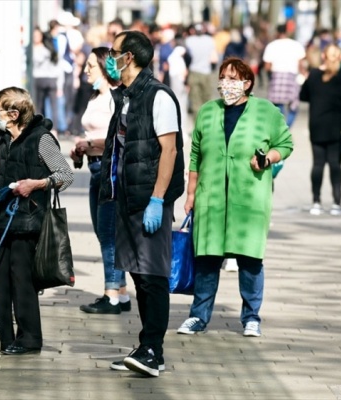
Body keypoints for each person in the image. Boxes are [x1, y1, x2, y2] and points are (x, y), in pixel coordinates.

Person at [176, 57, 293, 338]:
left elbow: (285, 143)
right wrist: (190, 193)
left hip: (249, 200)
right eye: (223, 78)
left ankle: (251, 316)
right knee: (206, 259)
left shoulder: (266, 111)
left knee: (250, 260)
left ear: (247, 83)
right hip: (211, 197)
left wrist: (268, 159)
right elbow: (195, 155)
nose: (226, 84)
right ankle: (198, 317)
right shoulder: (207, 111)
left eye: (233, 78)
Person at [98, 30, 185, 377]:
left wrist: (158, 199)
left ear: (128, 57)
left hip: (150, 199)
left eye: (113, 52)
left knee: (153, 276)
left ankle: (154, 349)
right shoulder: (126, 96)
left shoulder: (158, 96)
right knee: (137, 273)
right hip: (126, 198)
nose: (110, 57)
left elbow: (170, 149)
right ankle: (147, 348)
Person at [0, 87, 74, 355]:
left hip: (29, 221)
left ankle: (29, 339)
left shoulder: (41, 140)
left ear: (14, 113)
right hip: (3, 219)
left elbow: (65, 174)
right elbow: (7, 182)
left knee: (22, 282)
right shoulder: (5, 137)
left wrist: (37, 184)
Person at [71, 47, 130, 314]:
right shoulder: (95, 97)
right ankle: (122, 292)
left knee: (108, 234)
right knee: (103, 232)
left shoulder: (116, 99)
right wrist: (81, 149)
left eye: (91, 66)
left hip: (111, 170)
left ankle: (111, 296)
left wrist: (89, 143)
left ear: (106, 68)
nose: (86, 70)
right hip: (95, 169)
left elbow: (118, 137)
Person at [300, 45, 341, 216]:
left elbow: (303, 96)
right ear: (340, 57)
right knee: (335, 164)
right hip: (337, 128)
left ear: (323, 56)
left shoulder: (314, 75)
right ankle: (336, 203)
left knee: (317, 164)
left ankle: (316, 202)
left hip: (317, 125)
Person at [263, 24, 306, 128]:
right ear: (288, 32)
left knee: (278, 106)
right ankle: (287, 127)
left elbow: (267, 67)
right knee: (294, 106)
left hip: (276, 76)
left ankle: (281, 128)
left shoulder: (271, 45)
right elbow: (301, 65)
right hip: (292, 77)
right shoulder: (296, 45)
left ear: (277, 32)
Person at [32, 28, 64, 135]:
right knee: (52, 106)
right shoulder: (50, 50)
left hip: (39, 79)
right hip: (51, 79)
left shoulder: (35, 50)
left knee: (39, 105)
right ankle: (54, 130)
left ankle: (41, 129)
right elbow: (58, 68)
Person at [185, 24, 218, 114]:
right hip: (206, 72)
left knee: (195, 101)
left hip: (193, 71)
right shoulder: (210, 40)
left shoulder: (189, 40)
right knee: (206, 99)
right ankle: (207, 122)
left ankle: (197, 123)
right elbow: (214, 58)